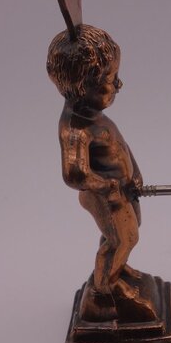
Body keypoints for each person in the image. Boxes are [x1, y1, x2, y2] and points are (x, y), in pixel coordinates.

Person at [47, 24, 152, 320]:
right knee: (122, 238)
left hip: (122, 191)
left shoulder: (95, 116)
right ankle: (102, 292)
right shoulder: (75, 128)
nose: (119, 85)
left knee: (124, 234)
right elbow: (74, 174)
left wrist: (135, 173)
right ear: (84, 87)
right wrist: (107, 186)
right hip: (105, 196)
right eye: (110, 79)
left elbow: (121, 146)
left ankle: (114, 268)